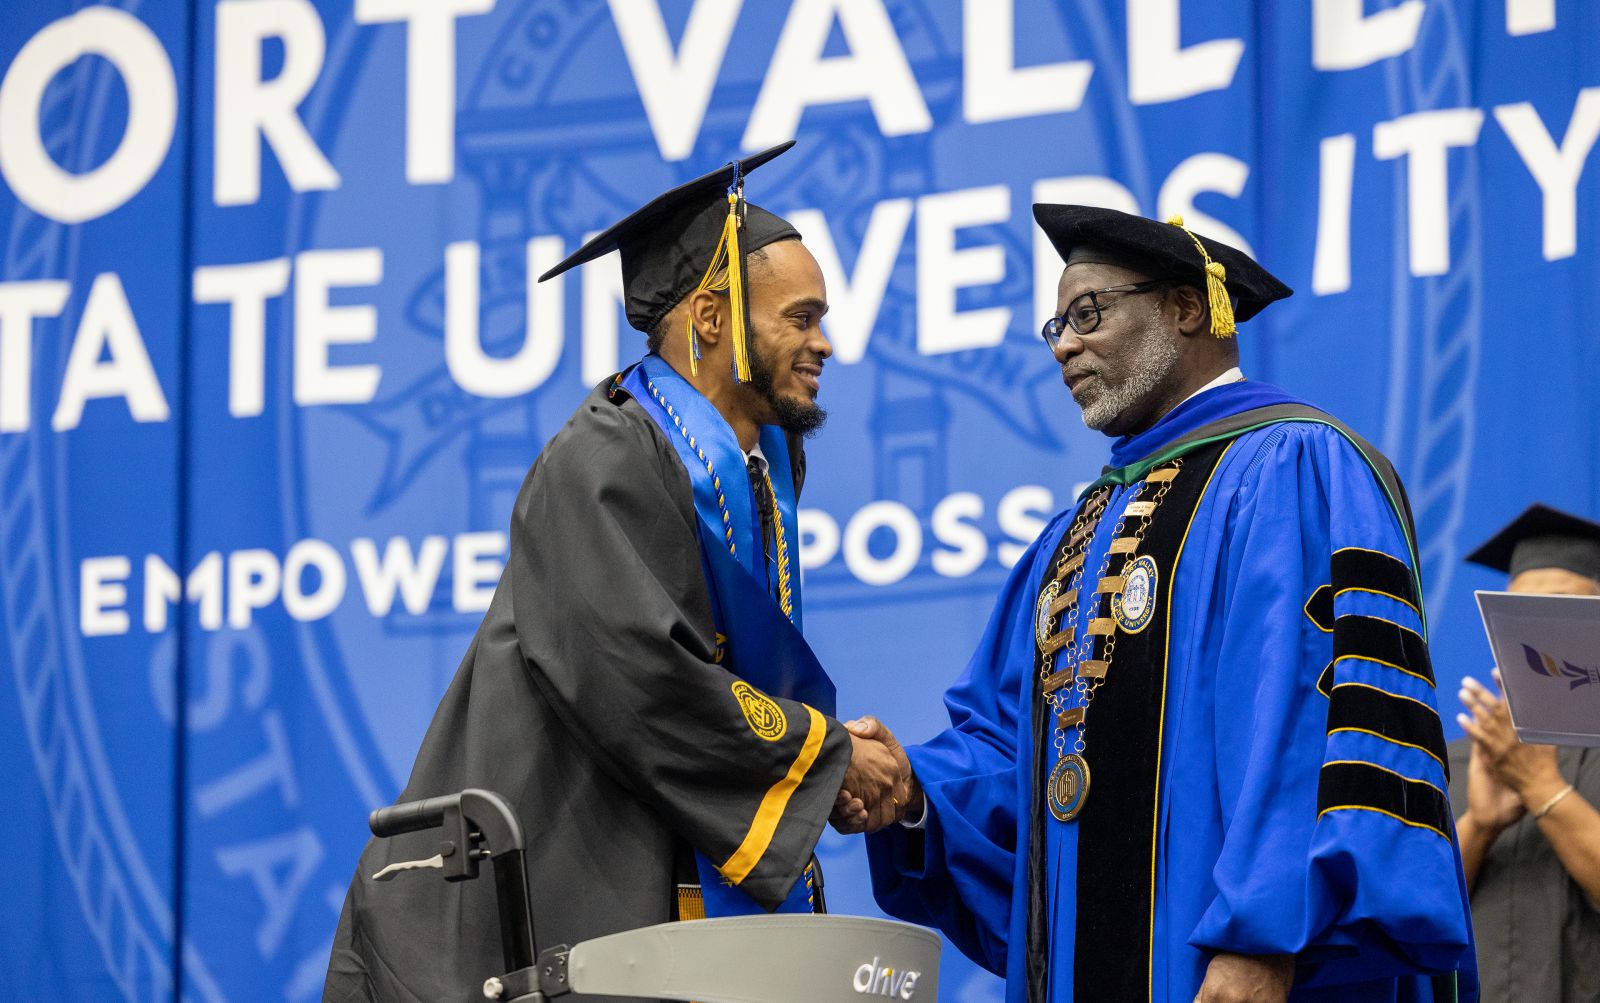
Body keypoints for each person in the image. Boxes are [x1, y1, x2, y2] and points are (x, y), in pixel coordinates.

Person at [840, 206, 1477, 1002]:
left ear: (1186, 308)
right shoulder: (1073, 534)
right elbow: (1009, 746)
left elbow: (1303, 723)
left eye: (1090, 313)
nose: (1065, 344)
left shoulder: (1293, 464)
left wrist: (1261, 937)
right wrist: (912, 791)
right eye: (1056, 325)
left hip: (1247, 968)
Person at [323, 142, 908, 1003]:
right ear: (710, 319)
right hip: (519, 924)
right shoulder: (605, 458)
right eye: (801, 317)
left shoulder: (755, 470)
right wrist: (822, 757)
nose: (825, 342)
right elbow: (643, 681)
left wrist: (823, 759)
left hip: (648, 916)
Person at [1449, 504, 1600, 1002]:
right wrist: (1479, 825)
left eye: (1560, 608)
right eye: (1516, 612)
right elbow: (1406, 927)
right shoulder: (1452, 763)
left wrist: (1541, 787)